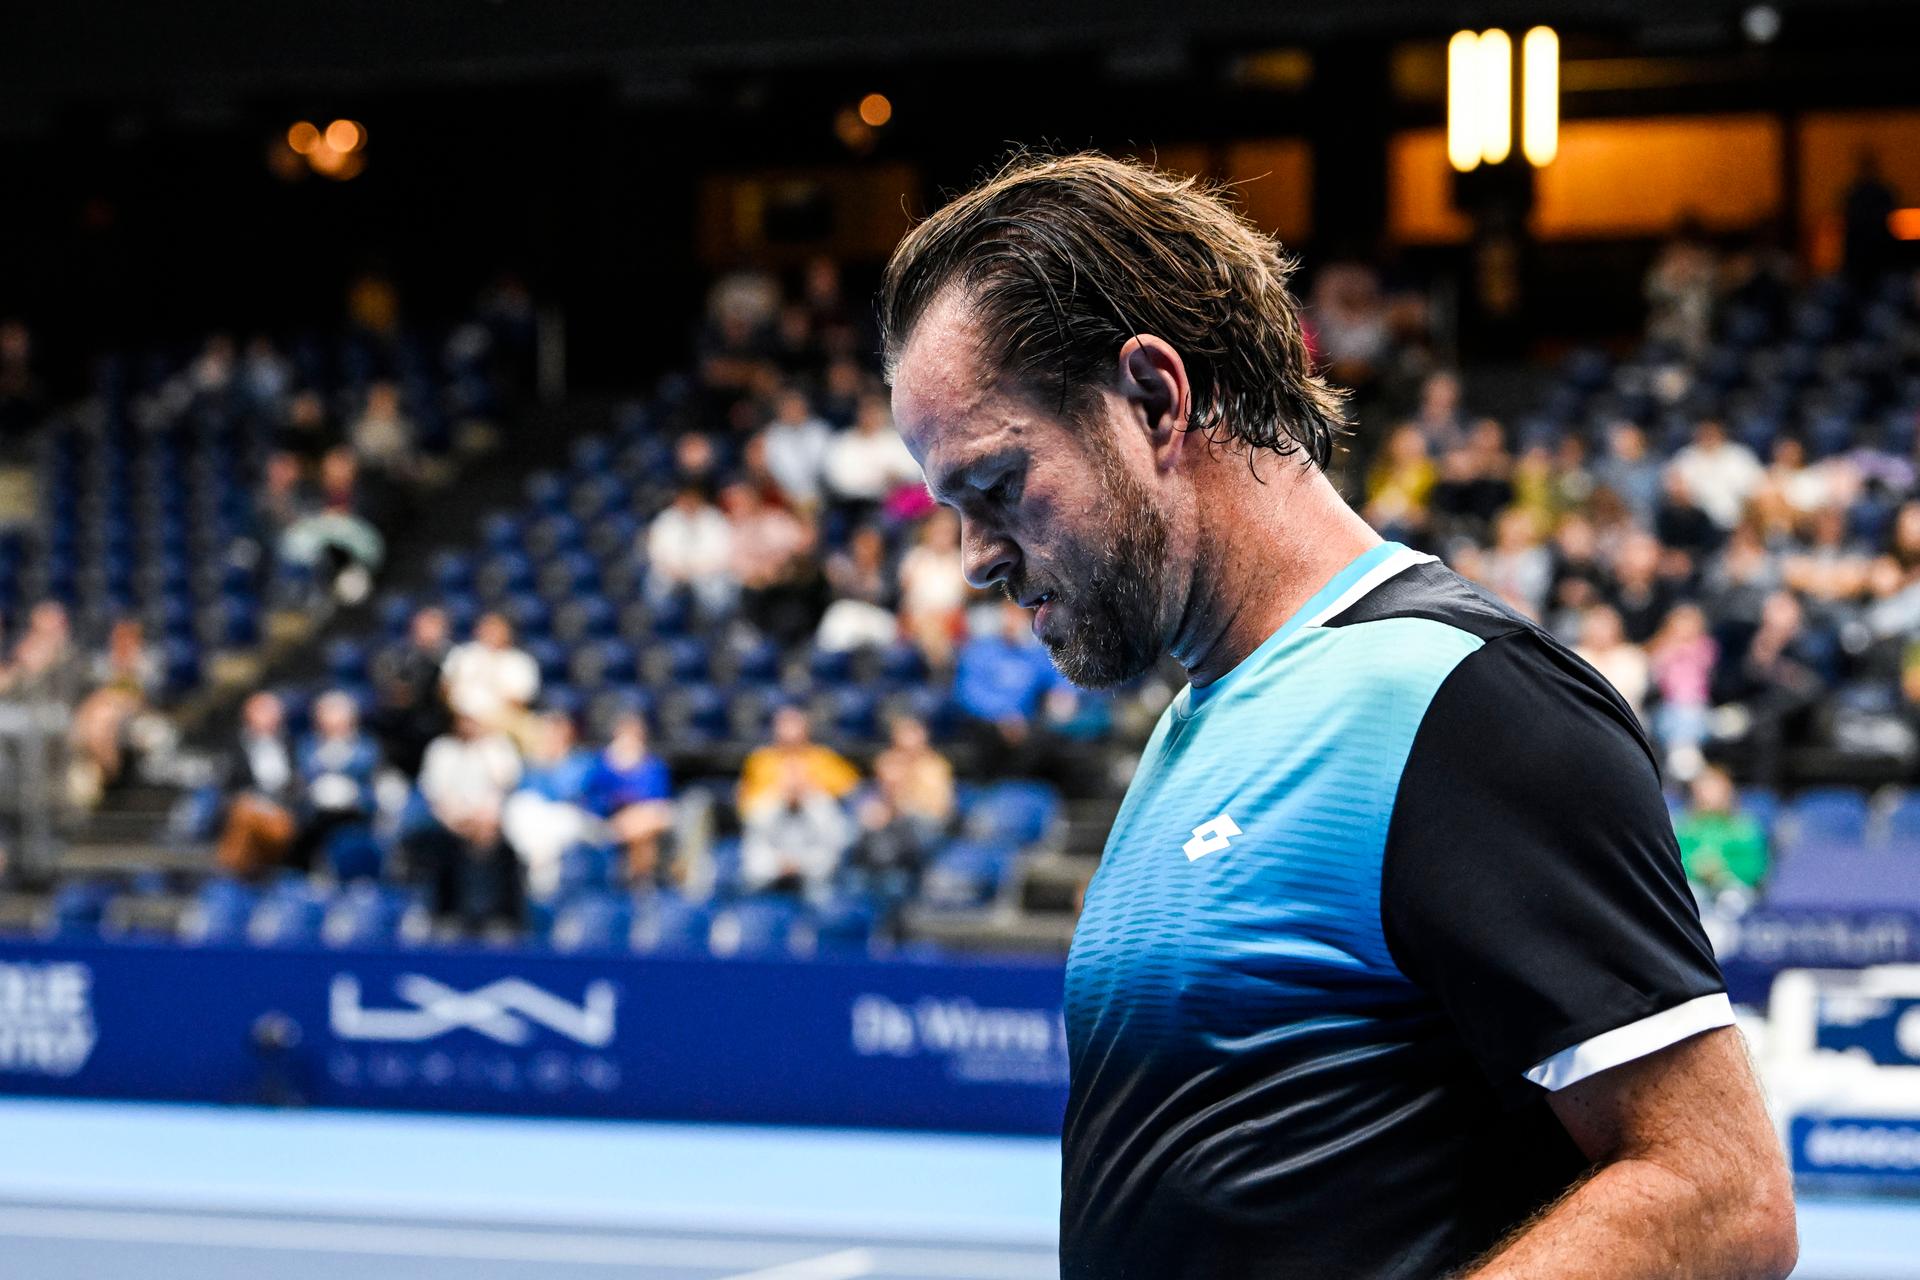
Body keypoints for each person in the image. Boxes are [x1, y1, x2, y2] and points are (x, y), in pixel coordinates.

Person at [880, 153, 1793, 1279]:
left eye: (996, 486)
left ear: (1155, 399)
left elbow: (1721, 1193)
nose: (974, 556)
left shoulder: (1461, 698)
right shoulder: (1194, 726)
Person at [410, 713, 523, 933]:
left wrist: (485, 817)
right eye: (465, 719)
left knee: (499, 848)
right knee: (441, 846)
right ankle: (448, 914)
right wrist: (457, 820)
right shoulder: (441, 749)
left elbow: (506, 786)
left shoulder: (498, 747)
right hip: (448, 824)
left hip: (490, 823)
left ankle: (495, 915)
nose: (469, 725)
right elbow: (434, 794)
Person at [295, 691, 383, 879]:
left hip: (355, 815)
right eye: (328, 715)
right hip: (317, 818)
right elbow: (303, 780)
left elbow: (372, 786)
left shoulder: (366, 747)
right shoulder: (307, 747)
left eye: (338, 716)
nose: (333, 723)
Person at [583, 711, 676, 884]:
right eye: (626, 733)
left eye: (635, 734)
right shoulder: (602, 765)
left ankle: (637, 880)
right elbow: (594, 801)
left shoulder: (653, 766)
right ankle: (640, 883)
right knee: (641, 831)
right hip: (610, 823)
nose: (630, 739)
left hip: (645, 822)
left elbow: (658, 802)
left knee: (646, 828)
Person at [215, 692, 299, 877]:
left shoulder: (289, 743)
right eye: (263, 711)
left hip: (280, 808)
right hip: (246, 803)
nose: (270, 716)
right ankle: (236, 873)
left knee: (259, 822)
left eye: (274, 712)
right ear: (247, 715)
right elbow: (227, 783)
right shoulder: (234, 744)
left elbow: (296, 783)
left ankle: (229, 876)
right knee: (244, 813)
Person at [439, 612, 539, 748]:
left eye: (497, 629)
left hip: (501, 721)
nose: (492, 633)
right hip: (459, 718)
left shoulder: (520, 661)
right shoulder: (462, 655)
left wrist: (486, 723)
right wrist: (462, 718)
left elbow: (519, 702)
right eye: (488, 628)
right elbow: (445, 690)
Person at [1674, 765, 1769, 905]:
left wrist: (1722, 870)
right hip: (1694, 885)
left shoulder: (1744, 828)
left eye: (1714, 788)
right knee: (1689, 897)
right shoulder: (1683, 827)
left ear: (1728, 791)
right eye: (1704, 788)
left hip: (1734, 887)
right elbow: (1674, 861)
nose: (1708, 794)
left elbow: (1755, 867)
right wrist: (1696, 868)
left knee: (1731, 899)